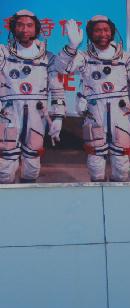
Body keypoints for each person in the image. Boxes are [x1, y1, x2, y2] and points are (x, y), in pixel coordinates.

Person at [58, 16, 130, 182]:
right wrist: (72, 47)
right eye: (97, 30)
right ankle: (97, 198)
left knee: (122, 165)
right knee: (95, 165)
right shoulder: (83, 57)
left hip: (120, 114)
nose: (102, 34)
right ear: (91, 34)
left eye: (106, 30)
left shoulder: (126, 59)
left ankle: (117, 200)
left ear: (112, 32)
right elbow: (62, 69)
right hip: (95, 115)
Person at [0, 9, 66, 183]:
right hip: (8, 114)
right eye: (20, 25)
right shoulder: (3, 54)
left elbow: (57, 89)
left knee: (32, 162)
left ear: (36, 29)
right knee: (5, 165)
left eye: (29, 25)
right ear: (13, 28)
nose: (24, 29)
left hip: (37, 115)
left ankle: (27, 200)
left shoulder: (48, 58)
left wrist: (58, 116)